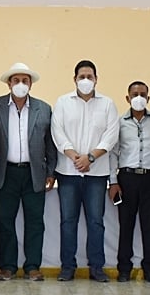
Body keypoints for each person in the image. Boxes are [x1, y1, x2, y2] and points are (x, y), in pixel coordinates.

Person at [50, 59, 119, 282]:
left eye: (90, 77)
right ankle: (67, 267)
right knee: (68, 222)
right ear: (75, 79)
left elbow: (111, 136)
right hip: (68, 173)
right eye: (82, 77)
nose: (86, 80)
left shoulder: (107, 104)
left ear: (96, 79)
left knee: (96, 222)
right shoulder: (63, 102)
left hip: (96, 174)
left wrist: (90, 158)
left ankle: (96, 267)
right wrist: (75, 157)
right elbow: (57, 132)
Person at [0, 62, 56, 282]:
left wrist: (51, 171)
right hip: (5, 172)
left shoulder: (44, 108)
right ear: (9, 83)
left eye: (25, 81)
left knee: (35, 221)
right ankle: (7, 267)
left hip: (34, 173)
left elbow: (50, 143)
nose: (20, 84)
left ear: (31, 84)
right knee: (5, 220)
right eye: (16, 80)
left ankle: (32, 266)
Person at [108, 80, 150, 283]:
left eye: (142, 94)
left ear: (148, 98)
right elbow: (113, 153)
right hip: (127, 178)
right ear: (127, 98)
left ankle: (149, 268)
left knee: (149, 226)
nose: (138, 98)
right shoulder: (119, 122)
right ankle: (124, 268)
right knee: (126, 225)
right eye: (134, 94)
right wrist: (113, 181)